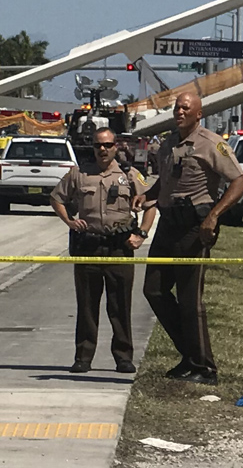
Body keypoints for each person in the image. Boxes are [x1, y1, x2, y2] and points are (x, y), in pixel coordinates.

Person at [133, 92, 243, 386]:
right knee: (154, 290)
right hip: (168, 224)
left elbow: (239, 181)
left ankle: (204, 367)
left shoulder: (211, 143)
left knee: (189, 299)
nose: (179, 112)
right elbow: (167, 180)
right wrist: (147, 195)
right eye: (177, 107)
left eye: (186, 108)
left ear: (199, 114)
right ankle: (189, 355)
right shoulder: (169, 143)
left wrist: (214, 216)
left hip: (194, 228)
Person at [50, 127, 157, 374]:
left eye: (108, 145)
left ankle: (123, 357)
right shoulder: (78, 174)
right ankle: (83, 357)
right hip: (88, 246)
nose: (103, 149)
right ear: (93, 147)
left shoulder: (129, 174)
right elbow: (56, 197)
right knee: (87, 305)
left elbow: (150, 204)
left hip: (119, 248)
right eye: (98, 145)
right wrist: (69, 221)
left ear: (116, 146)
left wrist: (141, 234)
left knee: (120, 306)